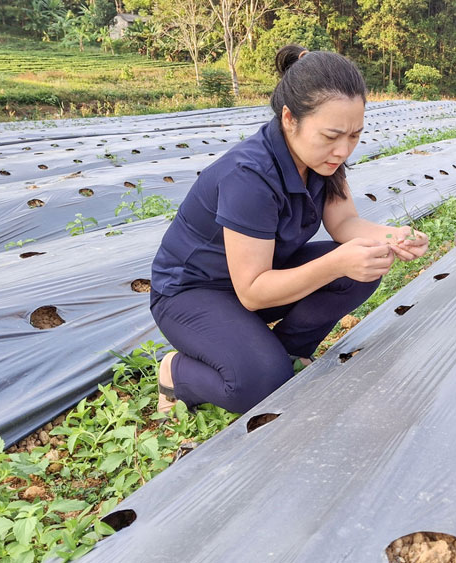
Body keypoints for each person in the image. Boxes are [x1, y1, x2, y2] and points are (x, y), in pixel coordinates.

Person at [148, 44, 429, 415]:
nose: (343, 149)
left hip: (261, 277)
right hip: (194, 293)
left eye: (354, 135)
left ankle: (286, 353)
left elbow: (344, 223)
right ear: (289, 118)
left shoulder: (322, 161)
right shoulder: (249, 176)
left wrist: (392, 237)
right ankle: (177, 373)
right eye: (331, 135)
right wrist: (337, 262)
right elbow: (251, 293)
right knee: (260, 385)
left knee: (364, 266)